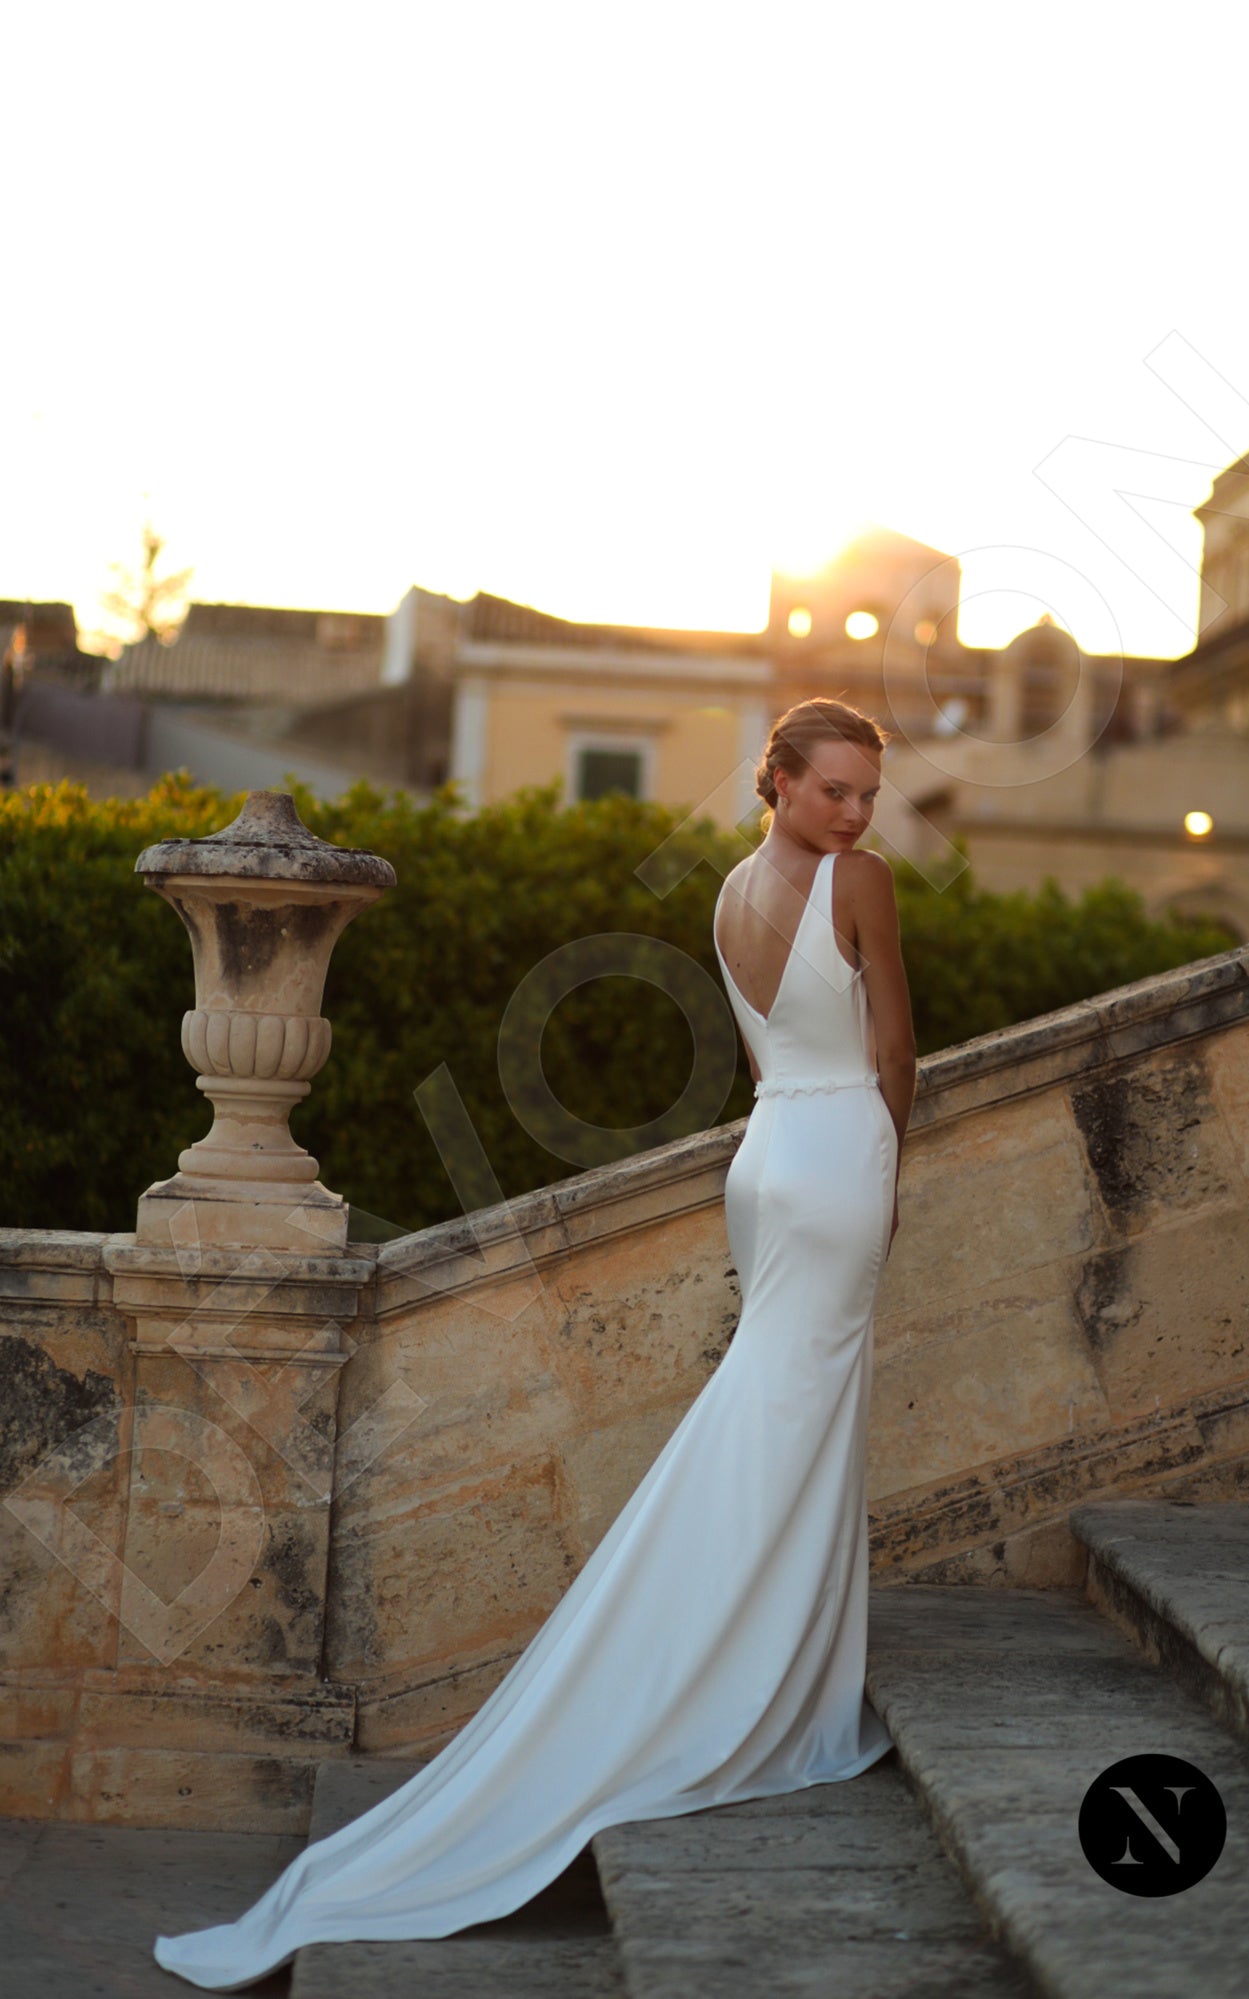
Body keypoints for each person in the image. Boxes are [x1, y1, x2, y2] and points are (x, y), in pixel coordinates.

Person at [152, 696, 917, 1990]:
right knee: (791, 1415)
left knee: (775, 1407)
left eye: (866, 793)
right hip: (836, 1151)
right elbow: (893, 1044)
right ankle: (761, 1690)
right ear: (777, 782)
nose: (855, 812)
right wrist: (888, 1167)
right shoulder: (864, 884)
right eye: (833, 788)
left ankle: (764, 1663)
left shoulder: (731, 891)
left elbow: (761, 1053)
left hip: (767, 1154)